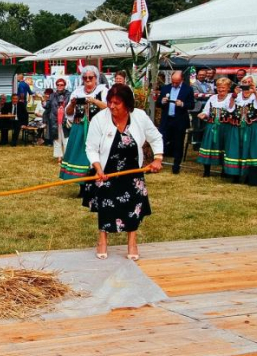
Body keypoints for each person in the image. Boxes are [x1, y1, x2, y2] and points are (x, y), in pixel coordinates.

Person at [85, 84, 164, 261]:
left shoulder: (140, 117)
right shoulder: (99, 119)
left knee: (133, 207)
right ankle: (102, 240)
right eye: (109, 102)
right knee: (106, 205)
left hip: (132, 171)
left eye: (117, 103)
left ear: (127, 104)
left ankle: (132, 242)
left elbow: (155, 137)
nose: (112, 106)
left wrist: (157, 158)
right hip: (106, 170)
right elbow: (91, 148)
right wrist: (98, 169)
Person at [59, 65, 108, 180]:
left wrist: (94, 101)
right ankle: (81, 184)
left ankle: (96, 180)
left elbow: (108, 107)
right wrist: (72, 104)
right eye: (85, 78)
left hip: (97, 128)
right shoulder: (77, 92)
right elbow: (69, 112)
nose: (87, 80)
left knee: (96, 153)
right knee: (78, 155)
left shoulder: (103, 91)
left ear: (96, 78)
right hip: (79, 129)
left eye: (90, 77)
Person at [224, 76, 257, 184]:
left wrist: (255, 92)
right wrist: (233, 95)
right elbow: (229, 108)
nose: (246, 84)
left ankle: (251, 175)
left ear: (253, 83)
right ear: (241, 83)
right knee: (237, 149)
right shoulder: (237, 95)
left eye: (249, 82)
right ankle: (235, 175)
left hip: (254, 127)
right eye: (244, 82)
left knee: (252, 149)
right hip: (238, 127)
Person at [158, 70, 195, 174]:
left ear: (182, 80)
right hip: (166, 120)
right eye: (173, 82)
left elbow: (191, 105)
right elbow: (158, 103)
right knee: (161, 141)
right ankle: (158, 161)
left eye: (176, 82)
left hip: (179, 120)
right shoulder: (165, 88)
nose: (174, 84)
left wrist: (182, 104)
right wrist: (162, 101)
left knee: (178, 143)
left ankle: (176, 166)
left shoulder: (188, 89)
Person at [197, 77, 234, 178]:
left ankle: (224, 171)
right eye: (219, 88)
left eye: (223, 88)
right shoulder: (213, 98)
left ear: (228, 88)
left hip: (226, 126)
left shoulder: (231, 97)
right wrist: (203, 114)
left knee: (224, 147)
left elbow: (231, 109)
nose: (221, 90)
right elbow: (206, 110)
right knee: (209, 146)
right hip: (212, 126)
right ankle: (206, 171)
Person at [45, 78, 71, 163]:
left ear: (64, 85)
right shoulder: (52, 95)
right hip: (55, 120)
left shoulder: (69, 94)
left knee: (66, 139)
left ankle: (67, 158)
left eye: (61, 85)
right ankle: (59, 158)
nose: (60, 86)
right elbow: (47, 106)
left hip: (66, 119)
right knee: (57, 139)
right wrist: (43, 101)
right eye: (58, 85)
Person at [12, 73, 33, 145]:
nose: (17, 78)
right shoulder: (26, 84)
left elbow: (21, 93)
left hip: (21, 101)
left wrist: (21, 99)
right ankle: (22, 123)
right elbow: (30, 92)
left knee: (19, 113)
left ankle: (19, 123)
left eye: (17, 77)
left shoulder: (20, 84)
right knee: (24, 113)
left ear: (19, 77)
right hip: (25, 102)